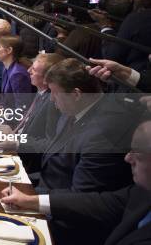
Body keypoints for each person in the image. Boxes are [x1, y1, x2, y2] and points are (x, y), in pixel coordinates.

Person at [0, 120, 151, 245]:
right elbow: (97, 203)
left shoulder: (99, 134)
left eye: (137, 152)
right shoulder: (141, 192)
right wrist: (30, 200)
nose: (127, 158)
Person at [35, 58, 138, 195]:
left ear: (76, 94)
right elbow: (56, 152)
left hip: (60, 207)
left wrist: (32, 197)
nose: (52, 99)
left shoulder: (103, 134)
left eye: (55, 93)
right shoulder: (72, 109)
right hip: (43, 187)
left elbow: (80, 196)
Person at [0, 53, 64, 169]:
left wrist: (17, 142)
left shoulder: (52, 102)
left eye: (34, 70)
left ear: (48, 78)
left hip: (27, 162)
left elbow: (50, 144)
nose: (28, 70)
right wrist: (9, 129)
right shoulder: (40, 93)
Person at [0, 35, 34, 111]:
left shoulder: (18, 74)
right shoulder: (7, 68)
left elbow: (22, 108)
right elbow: (5, 100)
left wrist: (1, 113)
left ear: (9, 50)